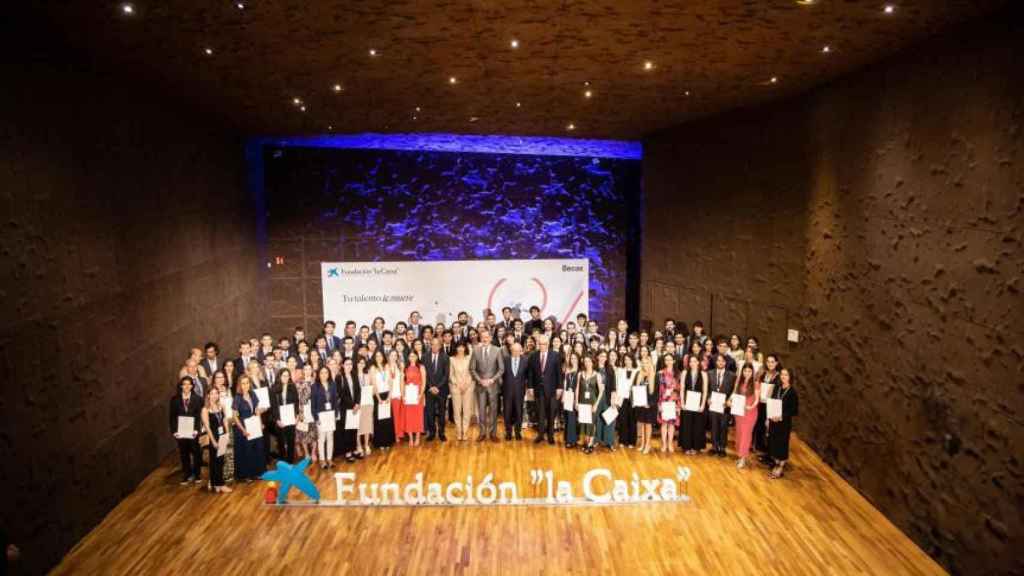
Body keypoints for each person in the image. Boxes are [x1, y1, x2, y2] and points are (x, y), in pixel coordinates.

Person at [469, 331, 504, 442]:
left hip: (493, 385)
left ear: (490, 338)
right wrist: (480, 380)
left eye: (487, 337)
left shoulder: (497, 350)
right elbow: (472, 368)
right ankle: (482, 433)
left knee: (493, 411)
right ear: (480, 338)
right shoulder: (476, 350)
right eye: (482, 337)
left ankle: (493, 434)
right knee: (482, 411)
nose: (484, 339)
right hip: (480, 385)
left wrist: (492, 379)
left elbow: (501, 369)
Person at [528, 334, 561, 445]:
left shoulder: (555, 355)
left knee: (551, 414)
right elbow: (531, 373)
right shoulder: (533, 356)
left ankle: (551, 435)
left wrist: (559, 388)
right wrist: (530, 387)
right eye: (540, 344)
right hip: (538, 390)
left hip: (551, 390)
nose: (542, 346)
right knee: (540, 413)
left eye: (544, 344)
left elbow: (559, 374)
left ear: (548, 344)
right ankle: (541, 435)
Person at [169, 376, 203, 485]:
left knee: (196, 453)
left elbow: (199, 416)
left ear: (192, 386)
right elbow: (172, 417)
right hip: (181, 432)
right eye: (184, 384)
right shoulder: (175, 400)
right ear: (181, 386)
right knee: (184, 454)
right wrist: (174, 431)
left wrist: (197, 430)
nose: (187, 386)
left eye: (189, 384)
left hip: (193, 432)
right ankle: (186, 475)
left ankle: (197, 475)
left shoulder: (198, 399)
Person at [232, 375, 266, 482]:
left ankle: (258, 473)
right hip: (243, 428)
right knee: (247, 451)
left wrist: (260, 423)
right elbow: (235, 417)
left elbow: (257, 411)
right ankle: (246, 475)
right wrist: (243, 430)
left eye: (247, 383)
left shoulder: (253, 394)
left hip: (254, 425)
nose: (245, 385)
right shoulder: (237, 398)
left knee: (258, 449)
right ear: (239, 385)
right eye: (243, 383)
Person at [768, 368, 799, 479]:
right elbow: (771, 401)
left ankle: (780, 466)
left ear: (790, 377)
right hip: (773, 420)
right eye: (782, 374)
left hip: (784, 423)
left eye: (786, 375)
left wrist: (781, 416)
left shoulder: (792, 392)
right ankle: (776, 463)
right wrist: (769, 417)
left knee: (782, 444)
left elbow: (794, 410)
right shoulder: (777, 388)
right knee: (774, 441)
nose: (783, 376)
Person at [201, 387, 232, 493]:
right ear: (208, 395)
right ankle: (219, 484)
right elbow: (207, 427)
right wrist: (213, 441)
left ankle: (216, 484)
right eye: (212, 393)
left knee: (220, 460)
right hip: (214, 437)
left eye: (216, 393)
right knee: (214, 461)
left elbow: (224, 420)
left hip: (222, 436)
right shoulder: (205, 409)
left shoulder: (221, 406)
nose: (214, 395)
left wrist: (227, 434)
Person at [680, 354, 709, 454]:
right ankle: (686, 446)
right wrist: (682, 402)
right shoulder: (684, 372)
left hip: (698, 402)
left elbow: (705, 391)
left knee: (697, 425)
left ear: (698, 362)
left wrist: (702, 404)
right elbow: (682, 388)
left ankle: (695, 447)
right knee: (687, 424)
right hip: (687, 402)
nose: (692, 363)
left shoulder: (703, 374)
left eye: (694, 361)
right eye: (690, 361)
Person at [707, 354, 736, 456]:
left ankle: (722, 448)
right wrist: (708, 398)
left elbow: (734, 390)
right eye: (718, 361)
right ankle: (714, 446)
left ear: (726, 363)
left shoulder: (732, 375)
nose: (720, 363)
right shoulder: (709, 373)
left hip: (725, 405)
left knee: (723, 426)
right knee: (713, 425)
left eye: (723, 361)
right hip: (713, 404)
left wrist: (730, 400)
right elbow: (706, 388)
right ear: (716, 362)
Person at [733, 363, 760, 469]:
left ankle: (743, 458)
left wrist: (751, 406)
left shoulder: (756, 383)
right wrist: (730, 401)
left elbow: (757, 399)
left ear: (752, 372)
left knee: (746, 435)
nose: (747, 373)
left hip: (750, 413)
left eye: (749, 371)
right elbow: (734, 394)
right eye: (745, 371)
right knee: (739, 434)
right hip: (739, 412)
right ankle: (740, 456)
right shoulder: (739, 382)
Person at [755, 354, 782, 459]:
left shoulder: (779, 376)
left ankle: (769, 452)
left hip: (771, 405)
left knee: (769, 428)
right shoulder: (763, 374)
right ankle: (760, 449)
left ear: (776, 363)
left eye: (772, 362)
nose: (770, 364)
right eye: (768, 362)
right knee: (760, 425)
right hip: (761, 403)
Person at [423, 337, 450, 442]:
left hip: (441, 390)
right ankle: (432, 432)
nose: (434, 346)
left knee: (442, 413)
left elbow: (446, 375)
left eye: (436, 344)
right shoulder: (425, 357)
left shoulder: (445, 357)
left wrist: (437, 387)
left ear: (440, 345)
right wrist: (430, 387)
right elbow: (424, 374)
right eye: (432, 344)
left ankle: (442, 432)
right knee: (430, 412)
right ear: (430, 345)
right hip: (429, 390)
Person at [312, 366, 338, 469]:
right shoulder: (315, 386)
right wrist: (316, 417)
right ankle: (322, 460)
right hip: (321, 415)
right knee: (321, 439)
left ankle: (329, 459)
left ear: (329, 374)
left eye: (326, 373)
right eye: (322, 373)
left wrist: (336, 414)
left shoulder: (332, 384)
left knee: (330, 437)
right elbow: (313, 404)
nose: (324, 375)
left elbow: (335, 401)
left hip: (331, 414)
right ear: (319, 374)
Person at [501, 342, 528, 440]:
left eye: (518, 350)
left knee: (519, 412)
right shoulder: (505, 360)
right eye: (514, 350)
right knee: (507, 412)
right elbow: (502, 375)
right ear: (511, 351)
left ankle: (517, 432)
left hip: (519, 391)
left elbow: (527, 376)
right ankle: (508, 432)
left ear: (521, 351)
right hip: (507, 391)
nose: (516, 352)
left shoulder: (525, 360)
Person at [271, 368, 298, 464]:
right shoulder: (274, 388)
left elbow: (296, 402)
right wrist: (277, 420)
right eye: (284, 376)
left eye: (287, 375)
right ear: (279, 376)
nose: (286, 378)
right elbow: (273, 406)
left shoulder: (292, 387)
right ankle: (283, 461)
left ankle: (290, 461)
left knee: (291, 440)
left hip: (290, 417)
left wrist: (297, 416)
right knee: (281, 441)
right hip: (280, 418)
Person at [370, 351, 396, 449]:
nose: (379, 357)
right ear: (374, 357)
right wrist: (379, 398)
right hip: (378, 396)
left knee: (387, 419)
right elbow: (374, 384)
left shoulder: (386, 366)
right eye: (377, 355)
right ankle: (380, 442)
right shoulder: (373, 368)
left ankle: (388, 441)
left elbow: (390, 382)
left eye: (380, 355)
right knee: (379, 419)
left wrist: (389, 396)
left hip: (387, 394)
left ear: (383, 356)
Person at [337, 357, 360, 462]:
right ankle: (348, 452)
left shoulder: (354, 375)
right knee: (347, 430)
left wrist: (358, 403)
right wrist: (353, 405)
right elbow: (341, 394)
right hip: (345, 408)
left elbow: (358, 390)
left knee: (354, 429)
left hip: (355, 407)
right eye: (347, 364)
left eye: (350, 364)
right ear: (342, 365)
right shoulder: (339, 377)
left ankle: (354, 449)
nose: (349, 366)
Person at [449, 342, 474, 441]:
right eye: (458, 347)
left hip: (468, 387)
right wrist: (458, 384)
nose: (460, 349)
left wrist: (466, 384)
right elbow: (451, 375)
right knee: (457, 411)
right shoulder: (451, 359)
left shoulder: (469, 358)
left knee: (467, 410)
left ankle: (465, 432)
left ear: (465, 348)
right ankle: (459, 432)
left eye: (462, 347)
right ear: (455, 348)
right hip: (456, 388)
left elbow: (472, 372)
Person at [577, 355, 600, 454]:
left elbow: (602, 390)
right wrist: (576, 402)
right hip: (582, 401)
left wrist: (596, 404)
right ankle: (586, 442)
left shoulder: (597, 374)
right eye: (585, 361)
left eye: (589, 361)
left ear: (592, 362)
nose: (587, 363)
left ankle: (590, 443)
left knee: (591, 423)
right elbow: (577, 388)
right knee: (584, 422)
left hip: (592, 402)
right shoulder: (580, 374)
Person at [295, 364, 318, 465]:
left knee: (314, 433)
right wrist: (300, 413)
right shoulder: (299, 383)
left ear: (312, 370)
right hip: (303, 410)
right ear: (303, 371)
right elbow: (298, 399)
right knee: (303, 433)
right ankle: (307, 453)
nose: (308, 371)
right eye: (305, 369)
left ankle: (313, 452)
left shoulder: (316, 382)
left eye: (309, 369)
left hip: (314, 410)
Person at [634, 356, 657, 454]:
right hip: (641, 404)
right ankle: (643, 443)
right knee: (642, 424)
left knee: (648, 425)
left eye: (647, 363)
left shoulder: (655, 376)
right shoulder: (640, 374)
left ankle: (648, 444)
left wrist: (650, 403)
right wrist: (638, 401)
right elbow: (636, 389)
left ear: (651, 364)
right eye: (643, 363)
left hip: (650, 406)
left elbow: (656, 393)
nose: (645, 365)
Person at [403, 351, 426, 446]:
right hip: (408, 396)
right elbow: (403, 382)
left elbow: (424, 382)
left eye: (414, 355)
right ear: (408, 357)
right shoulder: (405, 368)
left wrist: (421, 394)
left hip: (418, 395)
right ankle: (410, 438)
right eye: (410, 355)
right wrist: (403, 395)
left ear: (417, 357)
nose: (412, 357)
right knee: (409, 417)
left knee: (418, 417)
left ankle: (417, 437)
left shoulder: (421, 367)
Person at [657, 355, 680, 453]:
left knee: (672, 424)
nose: (668, 361)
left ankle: (670, 443)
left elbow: (680, 389)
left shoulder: (678, 374)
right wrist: (659, 403)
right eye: (666, 359)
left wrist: (678, 405)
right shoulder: (660, 373)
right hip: (663, 401)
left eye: (670, 359)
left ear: (673, 361)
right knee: (664, 423)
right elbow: (658, 390)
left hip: (673, 401)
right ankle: (664, 444)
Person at [594, 350, 616, 450]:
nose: (603, 358)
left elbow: (613, 386)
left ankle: (609, 442)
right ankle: (596, 440)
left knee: (609, 419)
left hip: (607, 397)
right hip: (596, 397)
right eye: (601, 356)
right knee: (597, 420)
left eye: (605, 356)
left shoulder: (610, 368)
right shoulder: (594, 368)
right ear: (598, 357)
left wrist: (613, 398)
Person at [616, 354, 639, 448]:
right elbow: (617, 385)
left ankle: (632, 441)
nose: (627, 361)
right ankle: (622, 440)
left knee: (632, 420)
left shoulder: (637, 371)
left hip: (633, 398)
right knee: (623, 420)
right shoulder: (620, 371)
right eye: (625, 359)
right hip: (622, 398)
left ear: (632, 360)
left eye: (629, 359)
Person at [385, 349, 406, 442]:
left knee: (399, 415)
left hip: (398, 393)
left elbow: (401, 381)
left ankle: (400, 432)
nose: (393, 357)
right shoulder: (386, 366)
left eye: (395, 355)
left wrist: (402, 394)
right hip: (391, 394)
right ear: (388, 356)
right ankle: (395, 434)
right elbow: (387, 382)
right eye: (392, 355)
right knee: (394, 416)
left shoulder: (399, 367)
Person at [354, 357, 374, 456]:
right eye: (359, 362)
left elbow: (371, 388)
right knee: (357, 425)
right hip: (357, 404)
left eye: (363, 363)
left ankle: (366, 444)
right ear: (356, 364)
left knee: (366, 425)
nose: (361, 364)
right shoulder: (353, 376)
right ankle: (358, 445)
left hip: (367, 402)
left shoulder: (367, 375)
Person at [561, 352, 580, 448]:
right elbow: (565, 385)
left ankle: (572, 440)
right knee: (568, 418)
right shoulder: (568, 371)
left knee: (573, 418)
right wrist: (563, 396)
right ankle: (568, 439)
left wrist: (576, 400)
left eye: (575, 358)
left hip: (576, 397)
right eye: (572, 358)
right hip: (568, 396)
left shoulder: (580, 371)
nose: (573, 360)